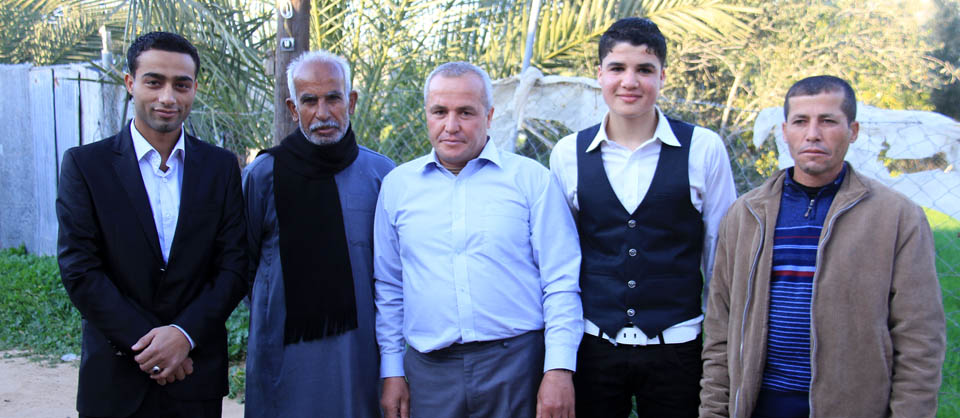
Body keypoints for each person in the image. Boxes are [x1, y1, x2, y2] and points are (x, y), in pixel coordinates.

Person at [699, 75, 946, 418]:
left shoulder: (897, 217)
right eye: (800, 121)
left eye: (828, 121)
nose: (812, 134)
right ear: (785, 131)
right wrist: (714, 411)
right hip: (760, 405)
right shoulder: (745, 215)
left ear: (853, 131)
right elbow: (720, 331)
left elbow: (920, 338)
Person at [548, 17, 737, 418]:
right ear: (599, 74)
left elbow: (719, 256)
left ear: (663, 76)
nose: (629, 82)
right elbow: (560, 260)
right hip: (593, 345)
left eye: (644, 69)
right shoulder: (567, 154)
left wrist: (720, 347)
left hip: (678, 347)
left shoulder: (704, 148)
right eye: (617, 68)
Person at [374, 61, 583, 418]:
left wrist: (558, 368)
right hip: (430, 374)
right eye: (439, 111)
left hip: (516, 367)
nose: (451, 125)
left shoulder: (531, 181)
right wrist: (392, 370)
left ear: (489, 115)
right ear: (426, 114)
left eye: (466, 112)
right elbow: (390, 286)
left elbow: (561, 280)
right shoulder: (397, 187)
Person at [56, 31, 248, 418]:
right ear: (130, 83)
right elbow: (80, 269)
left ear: (195, 88)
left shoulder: (221, 167)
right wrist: (152, 347)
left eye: (181, 85)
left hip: (194, 377)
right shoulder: (86, 166)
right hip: (115, 380)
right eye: (154, 82)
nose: (168, 97)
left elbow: (234, 266)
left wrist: (184, 336)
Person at [242, 50, 394, 417]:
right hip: (283, 355)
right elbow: (242, 267)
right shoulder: (263, 176)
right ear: (293, 109)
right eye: (309, 101)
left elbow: (394, 277)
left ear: (351, 101)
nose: (322, 113)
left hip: (359, 359)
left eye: (333, 98)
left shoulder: (383, 176)